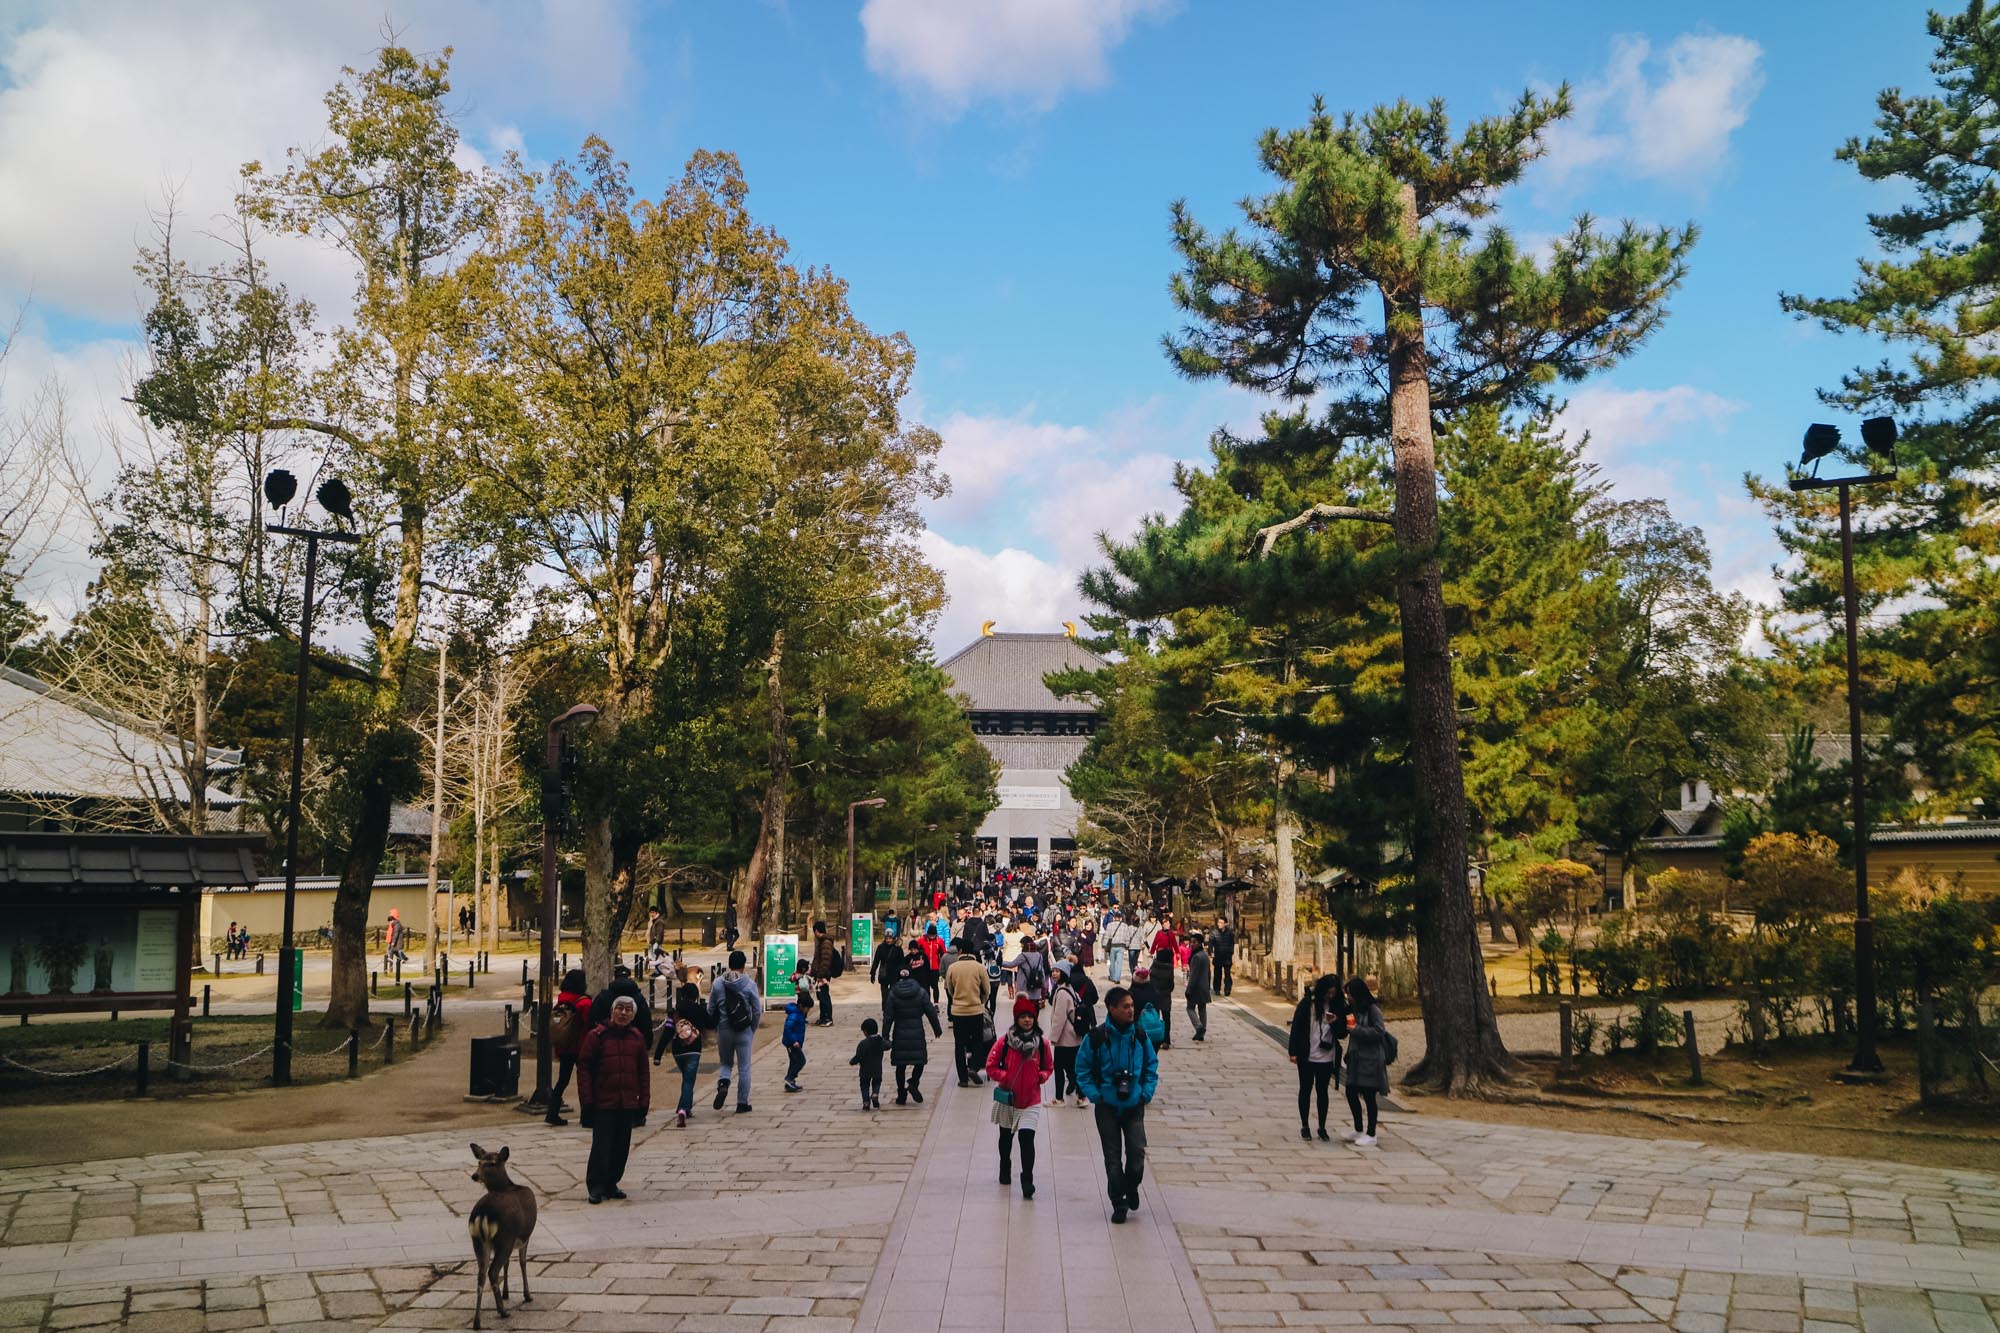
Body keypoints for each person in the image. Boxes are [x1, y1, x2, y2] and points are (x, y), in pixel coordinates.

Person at [1074, 986, 1158, 1225]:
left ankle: (1131, 1186)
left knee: (1136, 1157)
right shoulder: (1097, 1037)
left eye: (1132, 1006)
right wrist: (1095, 1095)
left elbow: (1151, 1067)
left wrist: (1145, 1093)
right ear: (1112, 1009)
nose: (1131, 1010)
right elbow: (1082, 1069)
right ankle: (1118, 1202)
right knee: (1112, 1158)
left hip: (1134, 1104)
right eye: (1126, 1006)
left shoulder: (1139, 1036)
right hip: (1107, 1106)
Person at [577, 994, 649, 1203]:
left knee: (621, 1146)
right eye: (620, 1008)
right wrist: (587, 1100)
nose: (623, 1013)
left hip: (627, 1100)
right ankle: (596, 1185)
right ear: (612, 1011)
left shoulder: (637, 1038)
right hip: (603, 1100)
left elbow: (643, 1072)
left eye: (628, 1010)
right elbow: (584, 1068)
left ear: (633, 1015)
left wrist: (643, 1101)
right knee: (601, 1145)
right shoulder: (597, 1036)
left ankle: (611, 1183)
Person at [986, 995, 1054, 1199]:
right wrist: (1005, 1077)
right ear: (1016, 1018)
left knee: (1027, 1140)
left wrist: (1041, 1077)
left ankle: (1027, 1180)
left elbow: (1048, 1067)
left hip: (1030, 1100)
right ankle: (1005, 1166)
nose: (1027, 1020)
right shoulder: (1004, 1042)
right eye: (1023, 1016)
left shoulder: (1042, 1044)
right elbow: (990, 1066)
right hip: (1008, 1098)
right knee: (1005, 1138)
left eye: (1030, 1017)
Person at [1289, 974, 1347, 1141]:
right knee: (1305, 1089)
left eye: (1333, 993)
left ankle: (1322, 1126)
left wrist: (1335, 1021)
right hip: (1307, 1053)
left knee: (1323, 1091)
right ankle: (1305, 1125)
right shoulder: (1308, 1003)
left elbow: (1342, 1033)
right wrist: (1293, 1051)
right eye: (1328, 993)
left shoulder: (1337, 1006)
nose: (1330, 996)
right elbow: (1296, 1026)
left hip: (1326, 1056)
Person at [653, 964, 712, 1128]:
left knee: (686, 1078)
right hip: (694, 1048)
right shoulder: (699, 1010)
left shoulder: (675, 1012)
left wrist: (658, 1054)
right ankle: (683, 1109)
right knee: (689, 1080)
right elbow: (711, 1024)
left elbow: (666, 1033)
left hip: (678, 1049)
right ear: (695, 996)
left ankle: (687, 1107)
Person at [708, 950, 763, 1114]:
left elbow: (711, 1008)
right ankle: (742, 1103)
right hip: (743, 1029)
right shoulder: (749, 984)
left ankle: (723, 1083)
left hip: (724, 1029)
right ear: (743, 965)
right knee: (744, 1067)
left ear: (729, 964)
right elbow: (757, 1010)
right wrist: (752, 1028)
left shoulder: (718, 983)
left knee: (726, 1063)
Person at [885, 966, 942, 1105]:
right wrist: (937, 1029)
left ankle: (901, 1094)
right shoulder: (921, 992)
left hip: (900, 1032)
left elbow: (888, 1017)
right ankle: (914, 1082)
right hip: (917, 1031)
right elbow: (930, 1011)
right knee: (920, 1060)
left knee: (900, 1065)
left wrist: (885, 1036)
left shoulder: (893, 993)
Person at [1343, 977, 1389, 1146]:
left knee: (1369, 1096)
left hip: (1371, 1059)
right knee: (1350, 1092)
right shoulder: (1353, 1008)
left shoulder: (1373, 1009)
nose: (1348, 997)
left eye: (1350, 994)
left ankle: (1371, 1133)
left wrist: (1358, 1030)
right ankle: (1358, 1128)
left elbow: (1379, 1031)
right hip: (1355, 1057)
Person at [544, 968, 593, 1126]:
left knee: (562, 1081)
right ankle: (587, 1115)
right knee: (585, 1080)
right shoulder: (584, 1003)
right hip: (581, 1046)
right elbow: (588, 1024)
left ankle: (552, 1112)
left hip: (564, 1046)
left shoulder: (562, 999)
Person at [944, 941, 993, 1086]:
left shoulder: (953, 968)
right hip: (975, 1010)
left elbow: (949, 989)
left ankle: (963, 1079)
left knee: (959, 1045)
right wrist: (980, 1002)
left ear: (959, 951)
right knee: (978, 1041)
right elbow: (987, 990)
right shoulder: (979, 967)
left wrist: (956, 999)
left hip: (958, 1012)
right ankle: (973, 1067)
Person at [1046, 965, 1089, 1105]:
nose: (1054, 974)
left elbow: (1059, 1018)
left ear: (1064, 973)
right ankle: (1082, 1096)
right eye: (1053, 971)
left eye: (1058, 971)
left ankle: (1059, 1099)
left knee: (1059, 1068)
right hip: (1073, 1038)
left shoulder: (1062, 993)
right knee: (1071, 1068)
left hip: (1065, 1038)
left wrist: (1053, 1038)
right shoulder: (1069, 989)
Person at [591, 963, 653, 1045]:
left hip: (606, 1041)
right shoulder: (638, 997)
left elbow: (593, 1017)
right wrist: (647, 1043)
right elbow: (646, 1021)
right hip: (633, 1042)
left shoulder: (604, 996)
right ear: (629, 977)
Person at [870, 932, 906, 1026]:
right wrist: (872, 973)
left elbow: (902, 962)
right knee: (885, 996)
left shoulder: (897, 948)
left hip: (895, 975)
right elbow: (876, 961)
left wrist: (903, 973)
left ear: (893, 938)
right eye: (887, 938)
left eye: (890, 938)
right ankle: (886, 1014)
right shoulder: (881, 948)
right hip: (884, 975)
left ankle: (894, 1013)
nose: (888, 940)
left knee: (894, 995)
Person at [1005, 937, 1050, 1010]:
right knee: (1034, 1010)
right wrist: (1042, 985)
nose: (1021, 947)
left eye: (1022, 945)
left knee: (1023, 1010)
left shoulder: (1023, 956)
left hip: (1024, 987)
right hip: (1036, 986)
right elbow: (1042, 971)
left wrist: (1000, 962)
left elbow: (1011, 964)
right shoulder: (1039, 955)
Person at [851, 1017, 886, 1109]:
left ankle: (866, 1102)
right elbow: (888, 1045)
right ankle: (875, 1094)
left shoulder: (863, 1043)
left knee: (864, 1086)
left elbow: (859, 1056)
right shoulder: (880, 1041)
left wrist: (853, 1061)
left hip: (865, 1070)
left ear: (865, 1031)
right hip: (877, 1069)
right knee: (877, 1082)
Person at [809, 921, 838, 1027]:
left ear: (816, 931)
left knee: (824, 995)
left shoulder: (825, 942)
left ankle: (828, 1018)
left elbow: (825, 960)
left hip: (824, 974)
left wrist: (821, 975)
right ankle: (822, 1017)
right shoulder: (822, 941)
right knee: (820, 995)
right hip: (821, 973)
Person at [1184, 933, 1212, 1043]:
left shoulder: (1196, 957)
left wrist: (1189, 989)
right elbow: (1209, 973)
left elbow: (1193, 975)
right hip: (1204, 986)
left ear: (1200, 943)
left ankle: (1199, 1027)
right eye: (1191, 942)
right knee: (1202, 1009)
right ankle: (1202, 1032)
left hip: (1196, 987)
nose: (1192, 944)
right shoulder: (1205, 955)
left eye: (1194, 942)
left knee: (1190, 1008)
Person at [1147, 944, 1176, 1049]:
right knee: (1166, 1019)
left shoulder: (1154, 967)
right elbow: (1171, 985)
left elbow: (1149, 980)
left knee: (1154, 1018)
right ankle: (1166, 1040)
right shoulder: (1169, 968)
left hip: (1154, 996)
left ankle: (1154, 1038)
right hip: (1165, 996)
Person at [781, 991, 809, 1093]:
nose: (808, 1010)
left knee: (794, 1062)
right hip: (792, 1043)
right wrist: (794, 1041)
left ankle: (790, 1083)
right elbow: (788, 1028)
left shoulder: (800, 1014)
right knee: (801, 1061)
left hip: (796, 1042)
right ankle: (789, 1078)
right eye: (807, 1008)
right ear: (801, 1006)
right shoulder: (795, 1015)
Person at [1212, 917, 1236, 996]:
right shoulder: (1214, 932)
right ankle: (1217, 989)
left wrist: (1230, 953)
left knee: (1227, 974)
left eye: (1221, 923)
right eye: (1219, 922)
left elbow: (1232, 944)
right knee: (1217, 974)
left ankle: (1227, 989)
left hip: (1227, 957)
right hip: (1217, 956)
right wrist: (1211, 953)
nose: (1219, 924)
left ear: (1225, 924)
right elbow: (1210, 944)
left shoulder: (1230, 933)